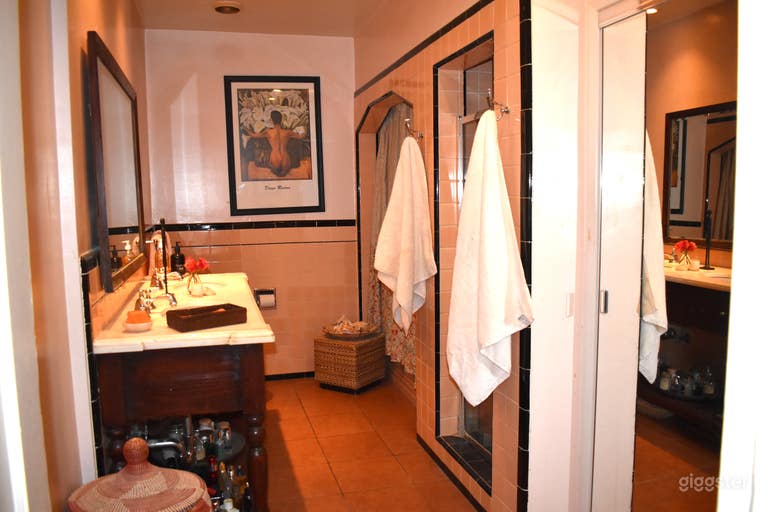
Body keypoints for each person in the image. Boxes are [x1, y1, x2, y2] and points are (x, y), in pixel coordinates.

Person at [247, 110, 305, 176]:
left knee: (275, 170)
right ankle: (282, 171)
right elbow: (300, 136)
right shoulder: (287, 132)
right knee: (283, 173)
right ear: (281, 120)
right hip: (285, 158)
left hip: (275, 158)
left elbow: (254, 135)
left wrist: (246, 129)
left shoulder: (268, 132)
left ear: (272, 120)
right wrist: (305, 129)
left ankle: (276, 170)